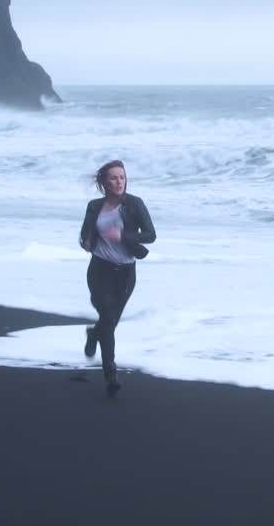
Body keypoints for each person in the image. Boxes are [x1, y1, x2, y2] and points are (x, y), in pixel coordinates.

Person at [78, 160, 156, 396]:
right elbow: (84, 235)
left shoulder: (134, 204)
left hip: (125, 273)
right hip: (100, 269)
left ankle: (94, 333)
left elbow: (151, 235)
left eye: (122, 177)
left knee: (109, 322)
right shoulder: (94, 207)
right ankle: (110, 371)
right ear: (104, 182)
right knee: (109, 319)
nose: (119, 181)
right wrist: (87, 242)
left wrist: (123, 235)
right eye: (113, 178)